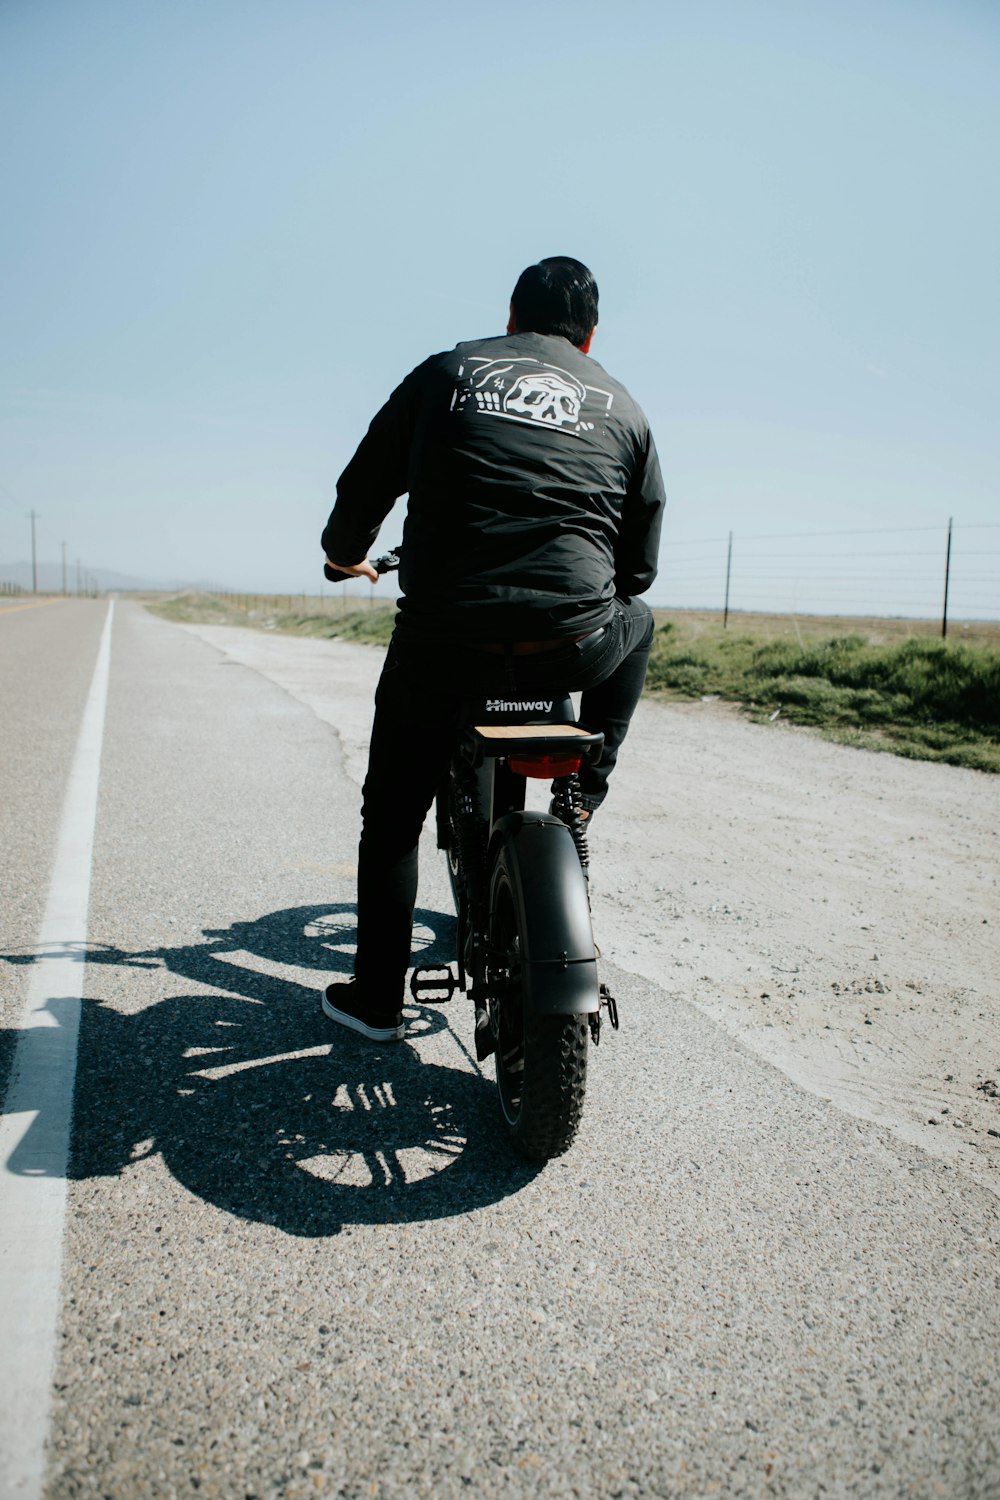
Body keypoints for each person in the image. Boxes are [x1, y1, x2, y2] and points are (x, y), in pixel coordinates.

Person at [320, 256, 665, 1042]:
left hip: (446, 640)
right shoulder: (625, 407)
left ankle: (378, 998)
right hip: (572, 645)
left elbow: (362, 491)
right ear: (591, 334)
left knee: (394, 817)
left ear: (510, 318)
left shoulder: (446, 372)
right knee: (638, 619)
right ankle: (585, 787)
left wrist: (345, 556)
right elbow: (639, 570)